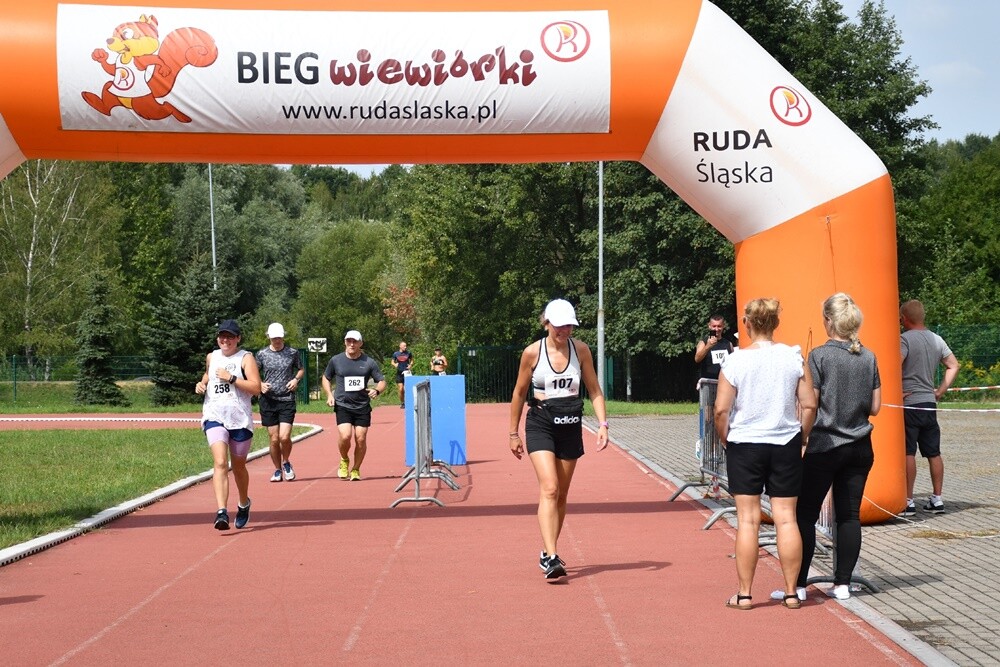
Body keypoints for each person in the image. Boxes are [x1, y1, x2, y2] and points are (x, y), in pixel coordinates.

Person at [771, 293, 881, 603]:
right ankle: (843, 584)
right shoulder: (869, 356)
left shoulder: (818, 356)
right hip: (860, 444)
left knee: (804, 514)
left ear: (828, 321)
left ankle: (800, 584)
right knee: (849, 516)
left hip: (825, 444)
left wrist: (802, 435)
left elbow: (811, 402)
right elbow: (875, 407)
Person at [714, 298, 816, 610]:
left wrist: (726, 439)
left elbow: (721, 409)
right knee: (787, 519)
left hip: (745, 444)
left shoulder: (735, 361)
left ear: (746, 323)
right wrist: (802, 437)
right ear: (775, 323)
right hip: (784, 442)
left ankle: (745, 594)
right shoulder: (793, 357)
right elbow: (809, 404)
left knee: (748, 520)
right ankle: (790, 592)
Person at [509, 299, 609, 580]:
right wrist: (513, 433)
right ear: (546, 324)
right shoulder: (532, 353)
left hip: (570, 423)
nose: (564, 330)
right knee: (550, 488)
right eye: (559, 325)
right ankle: (551, 558)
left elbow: (594, 389)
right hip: (540, 423)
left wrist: (603, 424)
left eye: (569, 325)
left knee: (562, 494)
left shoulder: (581, 351)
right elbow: (518, 393)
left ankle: (546, 549)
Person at [195, 319, 262, 530]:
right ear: (218, 338)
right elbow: (208, 374)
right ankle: (222, 512)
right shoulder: (212, 356)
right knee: (221, 462)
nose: (226, 340)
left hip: (239, 419)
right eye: (222, 336)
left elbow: (256, 388)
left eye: (230, 337)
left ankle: (243, 504)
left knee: (238, 466)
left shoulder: (246, 358)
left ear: (238, 339)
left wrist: (231, 378)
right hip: (214, 415)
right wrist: (202, 384)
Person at [900, 299, 959, 516]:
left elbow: (894, 364)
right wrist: (941, 390)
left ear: (904, 318)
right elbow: (954, 365)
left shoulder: (904, 340)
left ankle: (908, 501)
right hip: (928, 403)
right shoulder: (937, 339)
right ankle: (937, 498)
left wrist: (897, 390)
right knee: (933, 452)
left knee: (908, 452)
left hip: (909, 403)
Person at [321, 330, 387, 481]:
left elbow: (382, 381)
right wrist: (329, 395)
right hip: (343, 404)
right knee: (345, 436)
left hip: (362, 406)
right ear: (345, 342)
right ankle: (344, 459)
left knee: (361, 438)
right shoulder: (336, 360)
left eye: (355, 341)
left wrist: (377, 391)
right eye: (349, 341)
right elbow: (325, 378)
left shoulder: (368, 362)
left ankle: (356, 469)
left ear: (360, 343)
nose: (351, 344)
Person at [256, 322, 304, 483]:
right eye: (274, 337)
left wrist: (296, 380)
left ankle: (286, 462)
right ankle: (277, 469)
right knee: (274, 438)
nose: (277, 340)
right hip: (268, 400)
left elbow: (301, 369)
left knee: (284, 437)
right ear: (268, 337)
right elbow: (253, 372)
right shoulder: (262, 354)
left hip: (286, 399)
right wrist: (260, 384)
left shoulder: (292, 353)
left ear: (283, 336)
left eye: (279, 337)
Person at [694, 314, 735, 381]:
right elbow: (697, 359)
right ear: (709, 326)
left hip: (725, 382)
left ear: (723, 326)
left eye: (719, 326)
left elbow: (733, 363)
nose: (716, 329)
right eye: (714, 326)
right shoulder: (703, 342)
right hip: (708, 382)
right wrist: (708, 346)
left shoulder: (728, 344)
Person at [391, 341, 413, 408]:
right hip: (399, 373)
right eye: (404, 346)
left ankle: (410, 402)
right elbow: (392, 362)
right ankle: (402, 403)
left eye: (406, 346)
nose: (405, 347)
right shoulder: (396, 354)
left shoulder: (408, 353)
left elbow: (412, 360)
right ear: (400, 346)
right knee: (401, 389)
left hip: (407, 373)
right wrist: (395, 364)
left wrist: (410, 365)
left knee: (408, 389)